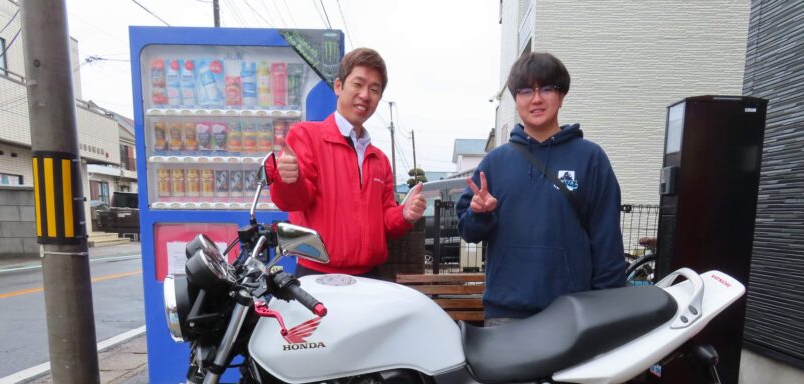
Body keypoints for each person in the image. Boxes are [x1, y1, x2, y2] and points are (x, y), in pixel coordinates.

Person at [457, 52, 625, 325]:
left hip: (574, 314)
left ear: (561, 95)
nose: (536, 99)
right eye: (525, 91)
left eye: (546, 89)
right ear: (516, 99)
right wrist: (480, 214)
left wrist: (605, 310)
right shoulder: (495, 162)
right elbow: (469, 232)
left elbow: (607, 241)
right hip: (505, 313)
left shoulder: (590, 159)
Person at [268, 47, 426, 278]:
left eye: (374, 89)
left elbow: (384, 221)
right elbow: (293, 201)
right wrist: (288, 179)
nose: (365, 95)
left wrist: (404, 214)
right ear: (338, 86)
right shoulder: (306, 136)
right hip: (316, 275)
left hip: (370, 275)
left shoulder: (379, 160)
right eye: (358, 84)